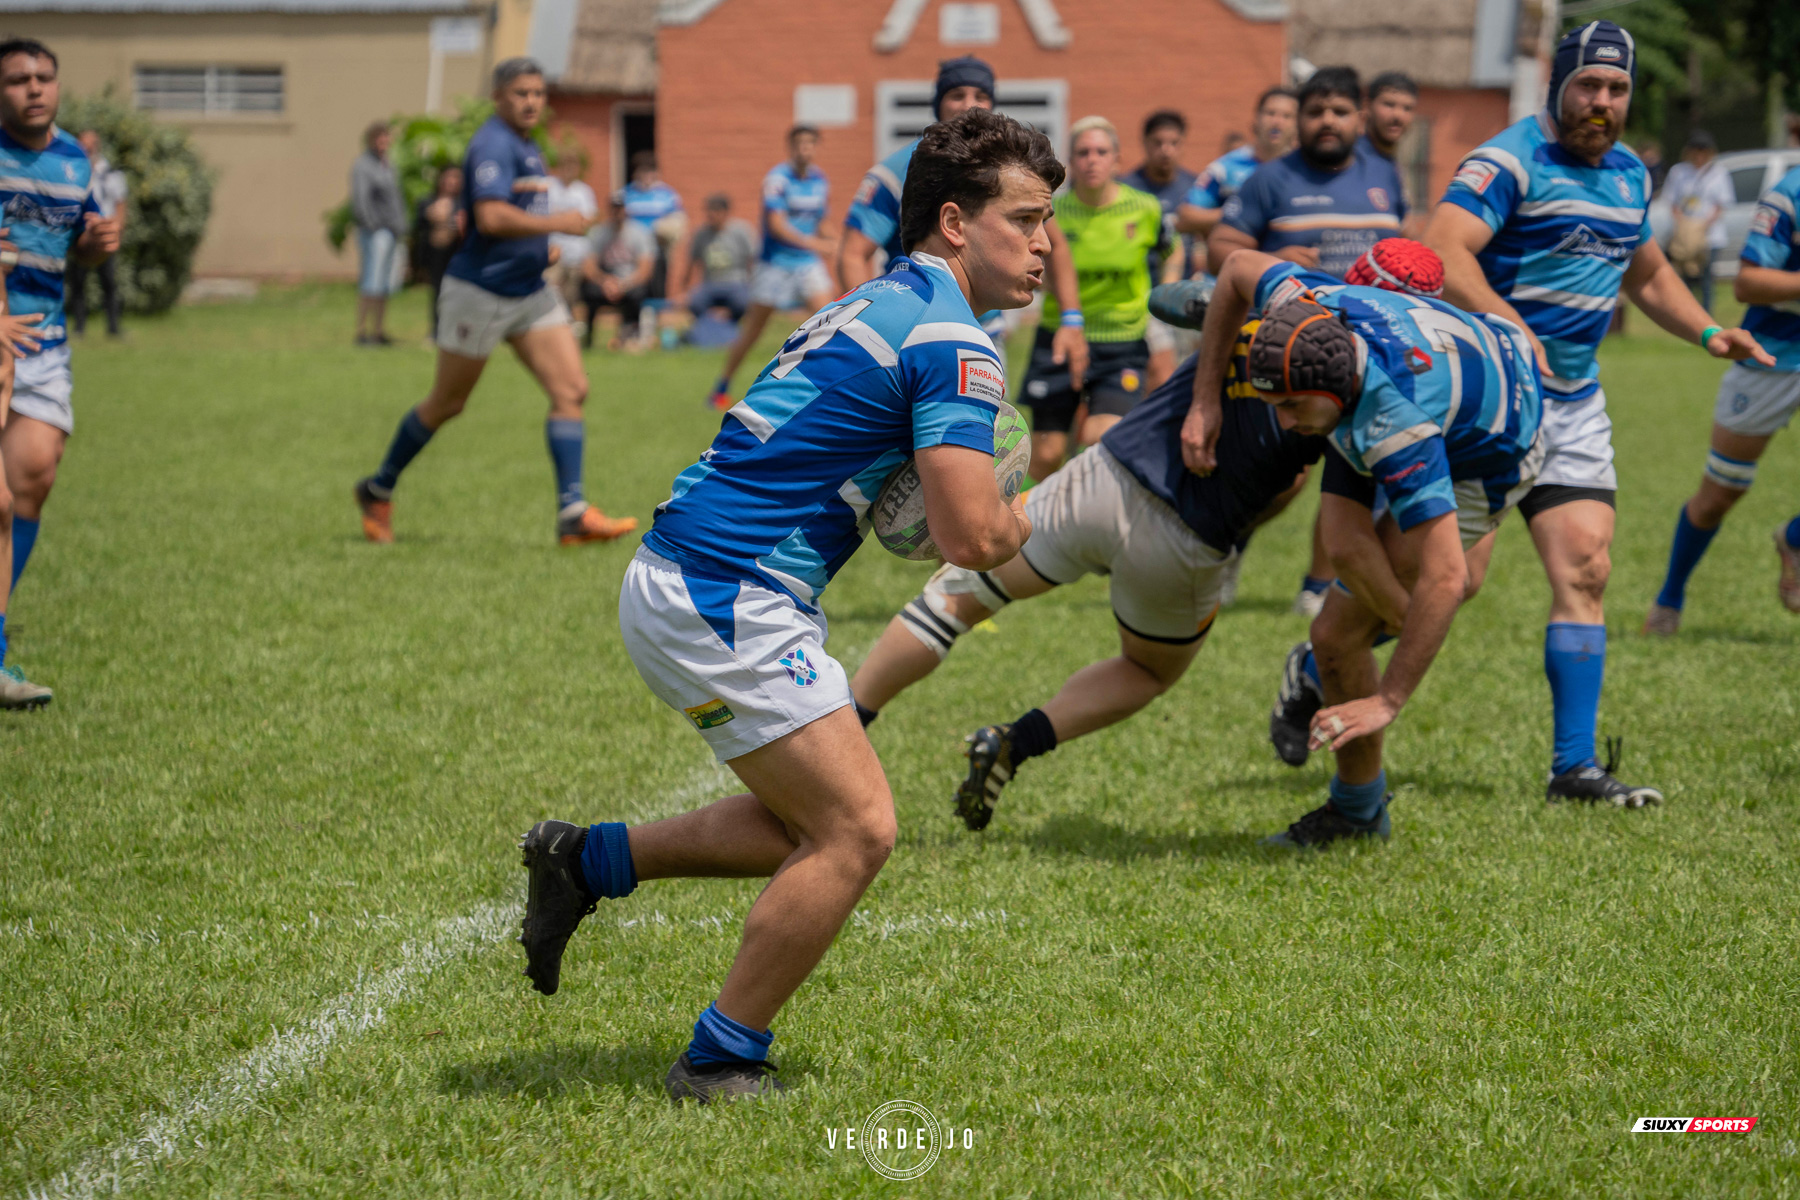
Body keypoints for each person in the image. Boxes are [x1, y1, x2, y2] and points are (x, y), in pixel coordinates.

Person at [515, 109, 1053, 1103]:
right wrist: (1029, 510)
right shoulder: (957, 343)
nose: (1044, 242)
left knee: (800, 822)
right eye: (1023, 218)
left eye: (1047, 220)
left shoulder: (886, 300)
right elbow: (973, 541)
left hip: (698, 575)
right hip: (725, 592)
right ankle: (721, 1058)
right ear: (952, 222)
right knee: (857, 830)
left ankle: (584, 861)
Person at [1425, 19, 1771, 806]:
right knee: (1451, 581)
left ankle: (1573, 767)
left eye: (1617, 90)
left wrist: (1710, 331)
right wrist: (1511, 327)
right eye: (1589, 86)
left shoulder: (1627, 174)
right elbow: (1443, 249)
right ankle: (1320, 667)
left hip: (1575, 404)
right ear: (1559, 84)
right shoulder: (1509, 159)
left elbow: (1643, 271)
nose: (1602, 103)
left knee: (1587, 566)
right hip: (1492, 401)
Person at [850, 311, 1325, 831]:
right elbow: (1293, 485)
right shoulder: (1341, 388)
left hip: (1106, 474)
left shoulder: (1260, 315)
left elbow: (1229, 275)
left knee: (953, 600)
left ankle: (848, 724)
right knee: (1147, 670)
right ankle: (1014, 743)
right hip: (1186, 539)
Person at [1196, 250, 1545, 847]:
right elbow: (1235, 268)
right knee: (1350, 569)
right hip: (1470, 358)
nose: (1281, 425)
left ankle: (1355, 805)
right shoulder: (1311, 306)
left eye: (1289, 407)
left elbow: (1444, 578)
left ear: (1333, 393)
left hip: (1491, 454)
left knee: (1348, 630)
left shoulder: (1395, 426)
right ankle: (1329, 676)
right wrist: (1204, 401)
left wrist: (1387, 699)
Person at [351, 58, 636, 547]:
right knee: (448, 403)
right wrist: (557, 225)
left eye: (538, 93)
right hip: (478, 293)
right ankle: (378, 489)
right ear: (499, 98)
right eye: (521, 93)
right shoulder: (492, 143)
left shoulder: (526, 145)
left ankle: (572, 514)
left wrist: (536, 249)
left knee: (571, 389)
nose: (531, 101)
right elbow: (489, 217)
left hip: (527, 289)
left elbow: (513, 215)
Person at [1208, 68, 1406, 617]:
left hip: (1370, 353)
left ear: (1359, 119)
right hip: (1288, 355)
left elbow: (1401, 246)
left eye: (1339, 112)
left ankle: (1318, 587)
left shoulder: (1384, 175)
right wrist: (1273, 263)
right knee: (1287, 479)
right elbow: (1219, 247)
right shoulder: (1269, 180)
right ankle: (1230, 544)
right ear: (1298, 119)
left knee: (1353, 473)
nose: (1326, 121)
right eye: (1315, 111)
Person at [836, 56, 1089, 390]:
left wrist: (1071, 318)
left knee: (986, 434)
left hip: (984, 329)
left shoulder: (1010, 171)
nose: (970, 105)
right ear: (938, 102)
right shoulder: (895, 172)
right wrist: (871, 325)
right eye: (957, 94)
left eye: (980, 95)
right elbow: (853, 254)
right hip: (915, 329)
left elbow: (1051, 244)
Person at [0, 37, 121, 709]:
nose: (34, 88)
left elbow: (85, 244)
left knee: (33, 480)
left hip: (44, 343)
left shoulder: (77, 161)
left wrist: (100, 248)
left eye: (44, 76)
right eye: (18, 79)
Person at [1645, 161, 1800, 632]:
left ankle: (1795, 537)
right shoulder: (1790, 193)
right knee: (1720, 493)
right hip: (1773, 357)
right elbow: (1749, 282)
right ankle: (1669, 599)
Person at [1022, 116, 1170, 481]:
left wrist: (1163, 294)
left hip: (1122, 341)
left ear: (1117, 160)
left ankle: (1084, 525)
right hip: (1060, 336)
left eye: (1101, 152)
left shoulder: (1145, 208)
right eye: (1083, 152)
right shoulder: (1052, 211)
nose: (1093, 160)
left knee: (1098, 440)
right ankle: (1035, 530)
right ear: (1071, 161)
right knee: (1045, 454)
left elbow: (1172, 250)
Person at [706, 125, 835, 410]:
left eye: (810, 144)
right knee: (754, 329)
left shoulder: (820, 180)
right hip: (775, 264)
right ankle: (722, 386)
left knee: (830, 323)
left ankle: (823, 393)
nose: (805, 149)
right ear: (791, 147)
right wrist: (816, 244)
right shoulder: (777, 179)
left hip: (807, 264)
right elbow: (776, 226)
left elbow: (820, 221)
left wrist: (836, 239)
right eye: (800, 144)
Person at [1123, 110, 1197, 390]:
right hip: (1141, 299)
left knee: (1185, 376)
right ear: (1145, 143)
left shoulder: (1194, 188)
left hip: (1186, 296)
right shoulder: (1127, 190)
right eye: (1158, 143)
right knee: (1153, 376)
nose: (1166, 150)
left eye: (1173, 143)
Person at [1175, 87, 1296, 243]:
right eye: (1270, 113)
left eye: (1287, 116)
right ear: (1256, 118)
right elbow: (1185, 216)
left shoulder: (1305, 170)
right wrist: (1238, 213)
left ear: (1297, 124)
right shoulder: (1226, 167)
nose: (1277, 122)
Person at [1661, 131, 1733, 314]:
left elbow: (1722, 203)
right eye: (1696, 151)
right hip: (1684, 235)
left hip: (1710, 236)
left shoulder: (1719, 173)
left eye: (1704, 151)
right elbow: (1671, 201)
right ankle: (1687, 314)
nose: (1699, 156)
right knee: (1684, 277)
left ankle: (1706, 315)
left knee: (1706, 278)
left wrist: (1702, 224)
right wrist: (1686, 224)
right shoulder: (1678, 172)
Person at [350, 121, 407, 346]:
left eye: (387, 137)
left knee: (385, 284)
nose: (384, 142)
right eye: (380, 138)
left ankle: (379, 331)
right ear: (371, 140)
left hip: (392, 231)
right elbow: (361, 200)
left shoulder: (388, 164)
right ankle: (362, 332)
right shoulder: (363, 165)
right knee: (371, 282)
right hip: (375, 232)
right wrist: (372, 225)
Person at [65, 128, 125, 338]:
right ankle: (79, 327)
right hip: (81, 234)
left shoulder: (110, 173)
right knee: (77, 284)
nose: (87, 148)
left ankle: (114, 327)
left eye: (90, 144)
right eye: (83, 144)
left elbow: (120, 204)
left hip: (103, 236)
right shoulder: (71, 171)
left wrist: (116, 230)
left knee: (109, 284)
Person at [579, 190, 656, 350]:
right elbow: (588, 266)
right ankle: (589, 337)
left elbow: (645, 270)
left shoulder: (639, 233)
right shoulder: (598, 232)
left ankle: (630, 336)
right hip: (605, 279)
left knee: (638, 292)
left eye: (620, 208)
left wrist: (624, 284)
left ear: (626, 210)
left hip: (629, 280)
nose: (617, 212)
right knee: (588, 290)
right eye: (614, 208)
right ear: (609, 210)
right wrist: (605, 282)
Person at [621, 152, 686, 308]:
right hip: (633, 253)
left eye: (650, 171)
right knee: (636, 289)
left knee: (658, 289)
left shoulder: (667, 194)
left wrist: (665, 230)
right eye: (642, 171)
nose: (646, 175)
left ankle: (659, 324)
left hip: (658, 250)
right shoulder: (626, 194)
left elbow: (680, 221)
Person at [545, 149, 598, 331]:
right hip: (553, 250)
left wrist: (560, 218)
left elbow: (588, 222)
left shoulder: (583, 191)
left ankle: (566, 328)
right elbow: (542, 217)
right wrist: (569, 220)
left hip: (576, 253)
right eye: (565, 165)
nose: (568, 170)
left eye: (572, 166)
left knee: (571, 295)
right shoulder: (550, 187)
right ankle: (550, 327)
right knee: (550, 290)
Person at [683, 192, 756, 325]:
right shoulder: (701, 234)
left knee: (741, 302)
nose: (711, 215)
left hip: (736, 282)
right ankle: (709, 327)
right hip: (710, 283)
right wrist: (685, 288)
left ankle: (731, 326)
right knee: (695, 302)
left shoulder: (741, 231)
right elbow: (692, 262)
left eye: (716, 211)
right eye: (709, 211)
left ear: (725, 212)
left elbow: (752, 260)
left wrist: (753, 285)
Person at [1361, 72, 1419, 233]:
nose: (1398, 116)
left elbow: (1407, 230)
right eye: (1389, 104)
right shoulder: (1350, 161)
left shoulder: (1393, 165)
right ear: (1367, 107)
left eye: (1407, 108)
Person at [412, 164, 464, 341]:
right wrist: (430, 215)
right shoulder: (428, 201)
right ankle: (436, 330)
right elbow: (418, 225)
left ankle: (457, 330)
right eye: (448, 177)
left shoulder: (464, 202)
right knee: (437, 292)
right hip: (435, 255)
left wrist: (451, 223)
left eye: (455, 177)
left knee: (458, 293)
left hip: (457, 254)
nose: (451, 182)